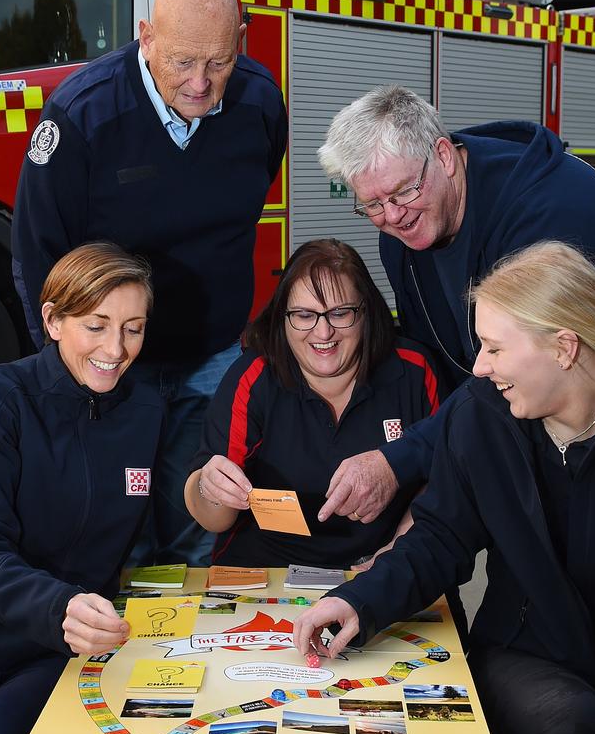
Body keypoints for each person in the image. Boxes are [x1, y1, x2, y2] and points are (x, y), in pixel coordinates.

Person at [294, 241, 595, 734]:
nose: (479, 368)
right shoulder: (481, 414)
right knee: (567, 732)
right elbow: (441, 536)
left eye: (495, 348)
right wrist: (357, 601)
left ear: (564, 348)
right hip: (529, 650)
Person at [11, 0, 287, 568]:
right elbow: (37, 254)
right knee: (116, 526)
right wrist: (68, 368)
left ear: (239, 40)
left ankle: (187, 655)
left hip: (212, 356)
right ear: (146, 36)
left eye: (219, 61)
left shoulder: (260, 101)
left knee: (199, 517)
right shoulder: (83, 116)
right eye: (184, 61)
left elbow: (248, 197)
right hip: (112, 360)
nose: (200, 83)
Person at [315, 85, 595, 527]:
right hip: (513, 428)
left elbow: (521, 366)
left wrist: (401, 462)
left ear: (443, 156)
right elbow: (430, 362)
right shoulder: (406, 233)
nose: (392, 216)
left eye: (402, 192)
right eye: (372, 204)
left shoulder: (551, 208)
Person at [0, 243, 164, 734]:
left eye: (133, 329)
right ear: (53, 320)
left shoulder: (148, 406)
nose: (116, 350)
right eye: (96, 326)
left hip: (60, 658)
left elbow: (170, 523)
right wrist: (58, 604)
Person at [184, 238, 440, 569]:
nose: (323, 332)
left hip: (385, 563)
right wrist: (208, 488)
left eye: (340, 313)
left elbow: (444, 480)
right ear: (283, 317)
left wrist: (398, 551)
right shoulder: (254, 375)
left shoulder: (414, 370)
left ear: (366, 311)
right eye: (304, 315)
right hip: (267, 569)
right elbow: (213, 519)